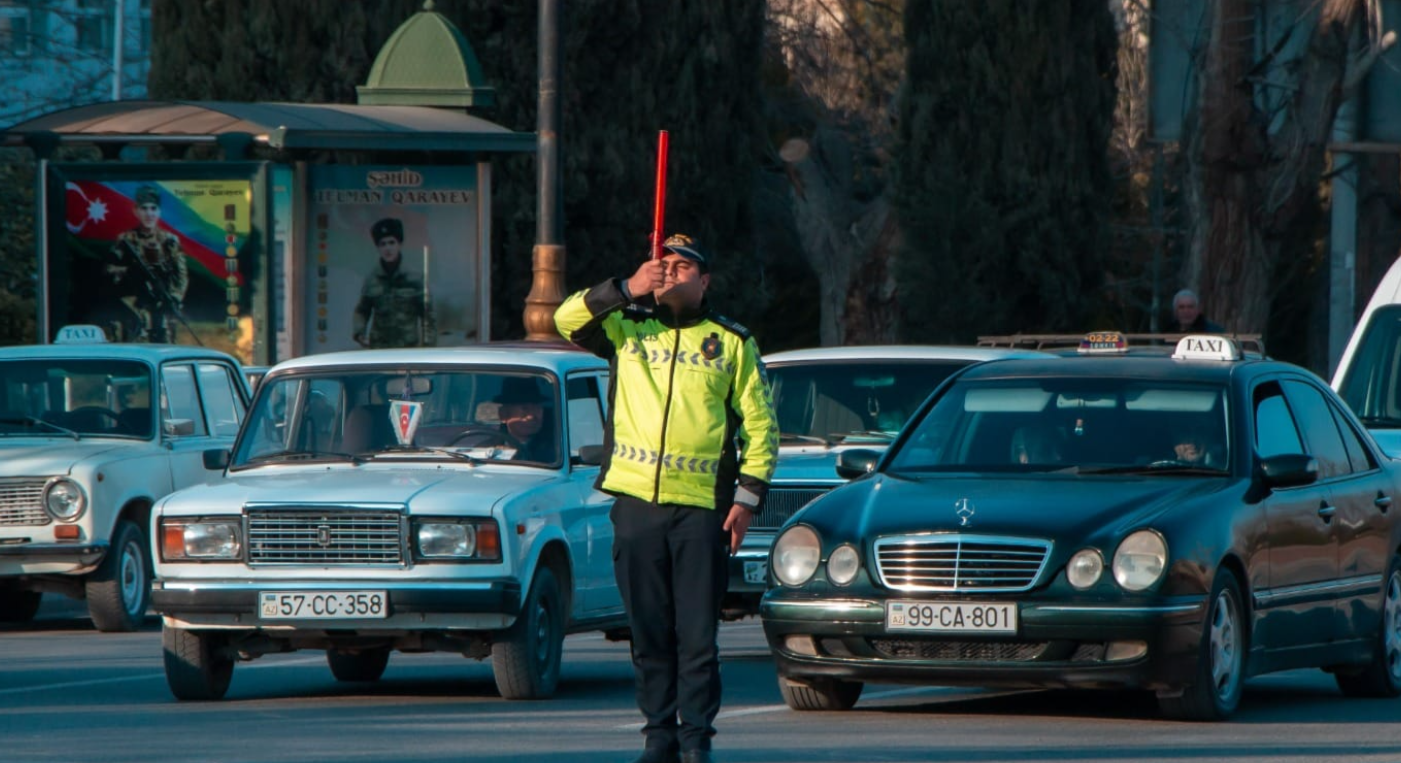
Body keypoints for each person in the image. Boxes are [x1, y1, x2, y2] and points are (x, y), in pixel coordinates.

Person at [554, 233, 777, 763]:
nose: (672, 274)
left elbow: (762, 428)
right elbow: (564, 320)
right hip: (636, 508)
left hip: (703, 511)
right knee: (649, 633)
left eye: (684, 268)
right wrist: (627, 287)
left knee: (697, 638)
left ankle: (697, 741)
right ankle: (659, 737)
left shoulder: (732, 342)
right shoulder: (627, 325)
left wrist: (746, 499)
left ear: (705, 281)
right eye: (665, 265)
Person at [106, 184, 189, 343]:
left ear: (159, 212)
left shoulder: (170, 241)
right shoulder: (126, 240)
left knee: (166, 345)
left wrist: (175, 297)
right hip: (135, 306)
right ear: (136, 211)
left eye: (153, 208)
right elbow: (108, 269)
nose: (149, 214)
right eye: (144, 208)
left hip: (162, 303)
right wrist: (129, 271)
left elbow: (181, 275)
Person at [352, 217, 437, 348]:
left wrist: (427, 346)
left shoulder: (415, 278)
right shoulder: (372, 279)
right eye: (383, 244)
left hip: (408, 350)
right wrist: (359, 333)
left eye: (392, 242)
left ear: (399, 244)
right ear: (378, 247)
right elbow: (362, 310)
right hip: (379, 350)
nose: (388, 248)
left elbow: (428, 316)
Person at [493, 377, 556, 463]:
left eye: (536, 408)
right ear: (503, 414)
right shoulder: (486, 449)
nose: (531, 416)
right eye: (524, 408)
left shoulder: (556, 452)